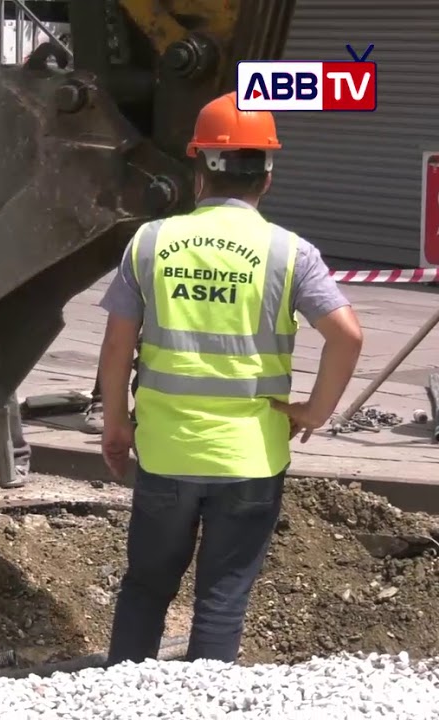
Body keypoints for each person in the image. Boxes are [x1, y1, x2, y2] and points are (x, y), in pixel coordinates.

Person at [99, 92, 363, 665]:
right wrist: (314, 413)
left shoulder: (149, 243)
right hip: (250, 459)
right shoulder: (290, 253)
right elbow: (348, 335)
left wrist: (116, 427)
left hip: (167, 451)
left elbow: (118, 345)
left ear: (198, 167)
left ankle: (119, 698)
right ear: (266, 174)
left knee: (146, 588)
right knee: (221, 599)